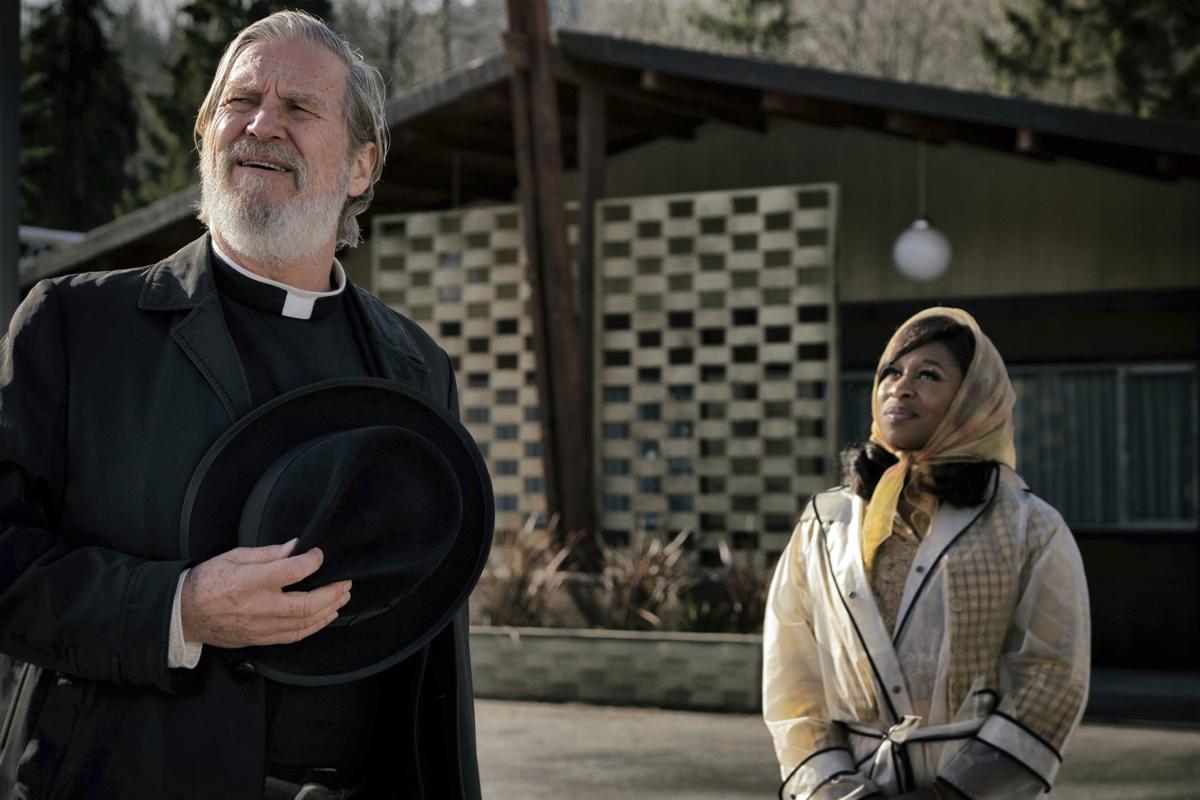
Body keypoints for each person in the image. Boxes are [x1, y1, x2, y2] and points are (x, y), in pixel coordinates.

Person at [0, 11, 481, 799]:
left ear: (361, 167)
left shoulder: (416, 365)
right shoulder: (75, 328)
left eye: (298, 107)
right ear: (204, 134)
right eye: (240, 101)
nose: (263, 124)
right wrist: (178, 609)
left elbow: (433, 634)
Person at [762, 307, 1090, 799]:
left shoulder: (1029, 527)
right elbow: (792, 675)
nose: (900, 386)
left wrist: (952, 792)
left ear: (972, 399)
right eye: (890, 372)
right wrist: (831, 785)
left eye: (927, 375)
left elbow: (1052, 675)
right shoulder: (825, 524)